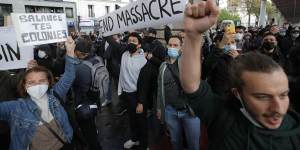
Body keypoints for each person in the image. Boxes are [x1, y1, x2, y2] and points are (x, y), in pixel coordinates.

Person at [180, 1, 300, 149]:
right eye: (262, 97)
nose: (278, 108)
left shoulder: (295, 130)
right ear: (238, 94)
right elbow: (192, 85)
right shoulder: (223, 117)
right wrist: (193, 36)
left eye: (283, 95)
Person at [0, 37, 78, 150]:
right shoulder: (16, 107)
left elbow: (69, 76)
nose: (37, 85)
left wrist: (70, 51)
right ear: (24, 86)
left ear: (48, 82)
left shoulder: (55, 95)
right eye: (31, 82)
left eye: (41, 81)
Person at [156, 35, 200, 150]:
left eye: (175, 45)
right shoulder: (163, 66)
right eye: (170, 45)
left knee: (193, 143)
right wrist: (159, 107)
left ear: (181, 48)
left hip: (189, 111)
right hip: (170, 111)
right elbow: (160, 88)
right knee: (175, 140)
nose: (172, 47)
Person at [117, 32, 148, 149]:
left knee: (141, 121)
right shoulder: (124, 54)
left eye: (134, 41)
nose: (130, 43)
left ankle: (144, 144)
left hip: (137, 95)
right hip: (126, 93)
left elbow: (144, 85)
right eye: (129, 41)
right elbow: (121, 74)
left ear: (139, 45)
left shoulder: (143, 60)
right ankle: (135, 139)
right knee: (131, 119)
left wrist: (140, 102)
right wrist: (120, 91)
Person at [72, 37, 102, 150]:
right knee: (92, 126)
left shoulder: (79, 68)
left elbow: (70, 83)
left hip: (84, 104)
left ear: (78, 52)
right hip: (96, 98)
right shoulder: (98, 59)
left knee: (89, 134)